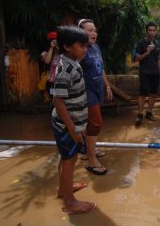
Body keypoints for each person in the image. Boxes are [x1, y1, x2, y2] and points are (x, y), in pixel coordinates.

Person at [52, 26, 96, 214]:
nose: (85, 49)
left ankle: (64, 189)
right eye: (82, 46)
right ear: (68, 47)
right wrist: (72, 129)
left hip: (70, 124)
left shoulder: (73, 61)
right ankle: (69, 203)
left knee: (66, 157)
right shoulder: (65, 68)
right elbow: (58, 100)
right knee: (70, 159)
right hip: (66, 125)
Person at [77, 19, 113, 175]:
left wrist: (107, 85)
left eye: (95, 30)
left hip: (98, 89)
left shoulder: (96, 48)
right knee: (96, 123)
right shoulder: (79, 50)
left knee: (90, 124)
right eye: (89, 30)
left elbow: (101, 68)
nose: (93, 33)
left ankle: (88, 151)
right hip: (86, 91)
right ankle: (92, 161)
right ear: (80, 33)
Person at [134, 22, 160, 125]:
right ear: (146, 31)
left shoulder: (157, 43)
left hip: (155, 72)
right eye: (150, 30)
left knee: (153, 93)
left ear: (156, 31)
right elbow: (137, 58)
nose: (152, 32)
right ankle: (140, 114)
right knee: (142, 93)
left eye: (154, 30)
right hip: (144, 71)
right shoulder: (141, 43)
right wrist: (147, 52)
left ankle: (149, 113)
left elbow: (158, 59)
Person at [41, 31, 60, 100]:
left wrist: (59, 48)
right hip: (52, 81)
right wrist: (51, 48)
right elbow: (47, 61)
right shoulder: (46, 52)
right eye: (53, 41)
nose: (55, 43)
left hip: (63, 80)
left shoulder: (63, 51)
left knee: (63, 99)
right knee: (54, 99)